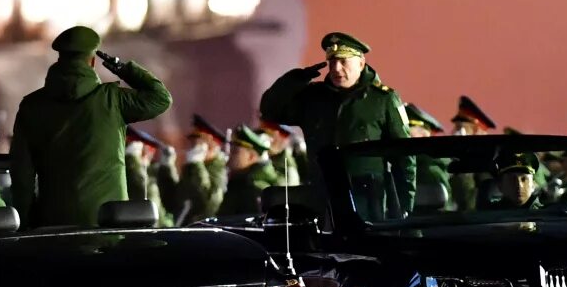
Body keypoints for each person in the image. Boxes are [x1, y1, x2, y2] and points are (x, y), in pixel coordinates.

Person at [11, 26, 173, 229]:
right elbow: (160, 99)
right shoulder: (113, 100)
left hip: (54, 226)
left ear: (60, 59)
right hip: (110, 224)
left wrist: (27, 225)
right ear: (93, 61)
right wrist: (122, 68)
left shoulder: (31, 106)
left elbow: (21, 174)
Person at [259, 32, 412, 217]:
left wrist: (406, 209)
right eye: (332, 62)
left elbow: (404, 157)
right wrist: (294, 80)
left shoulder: (383, 100)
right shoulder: (314, 98)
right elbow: (269, 110)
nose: (336, 69)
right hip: (324, 199)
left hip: (368, 202)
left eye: (343, 61)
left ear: (361, 63)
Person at [173, 116, 228, 225]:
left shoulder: (220, 169)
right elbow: (175, 201)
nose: (193, 147)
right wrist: (165, 170)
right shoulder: (193, 167)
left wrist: (196, 165)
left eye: (196, 143)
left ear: (211, 145)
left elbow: (208, 204)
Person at [220, 127, 282, 218]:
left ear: (251, 157)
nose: (229, 157)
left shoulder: (255, 189)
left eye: (235, 152)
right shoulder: (239, 181)